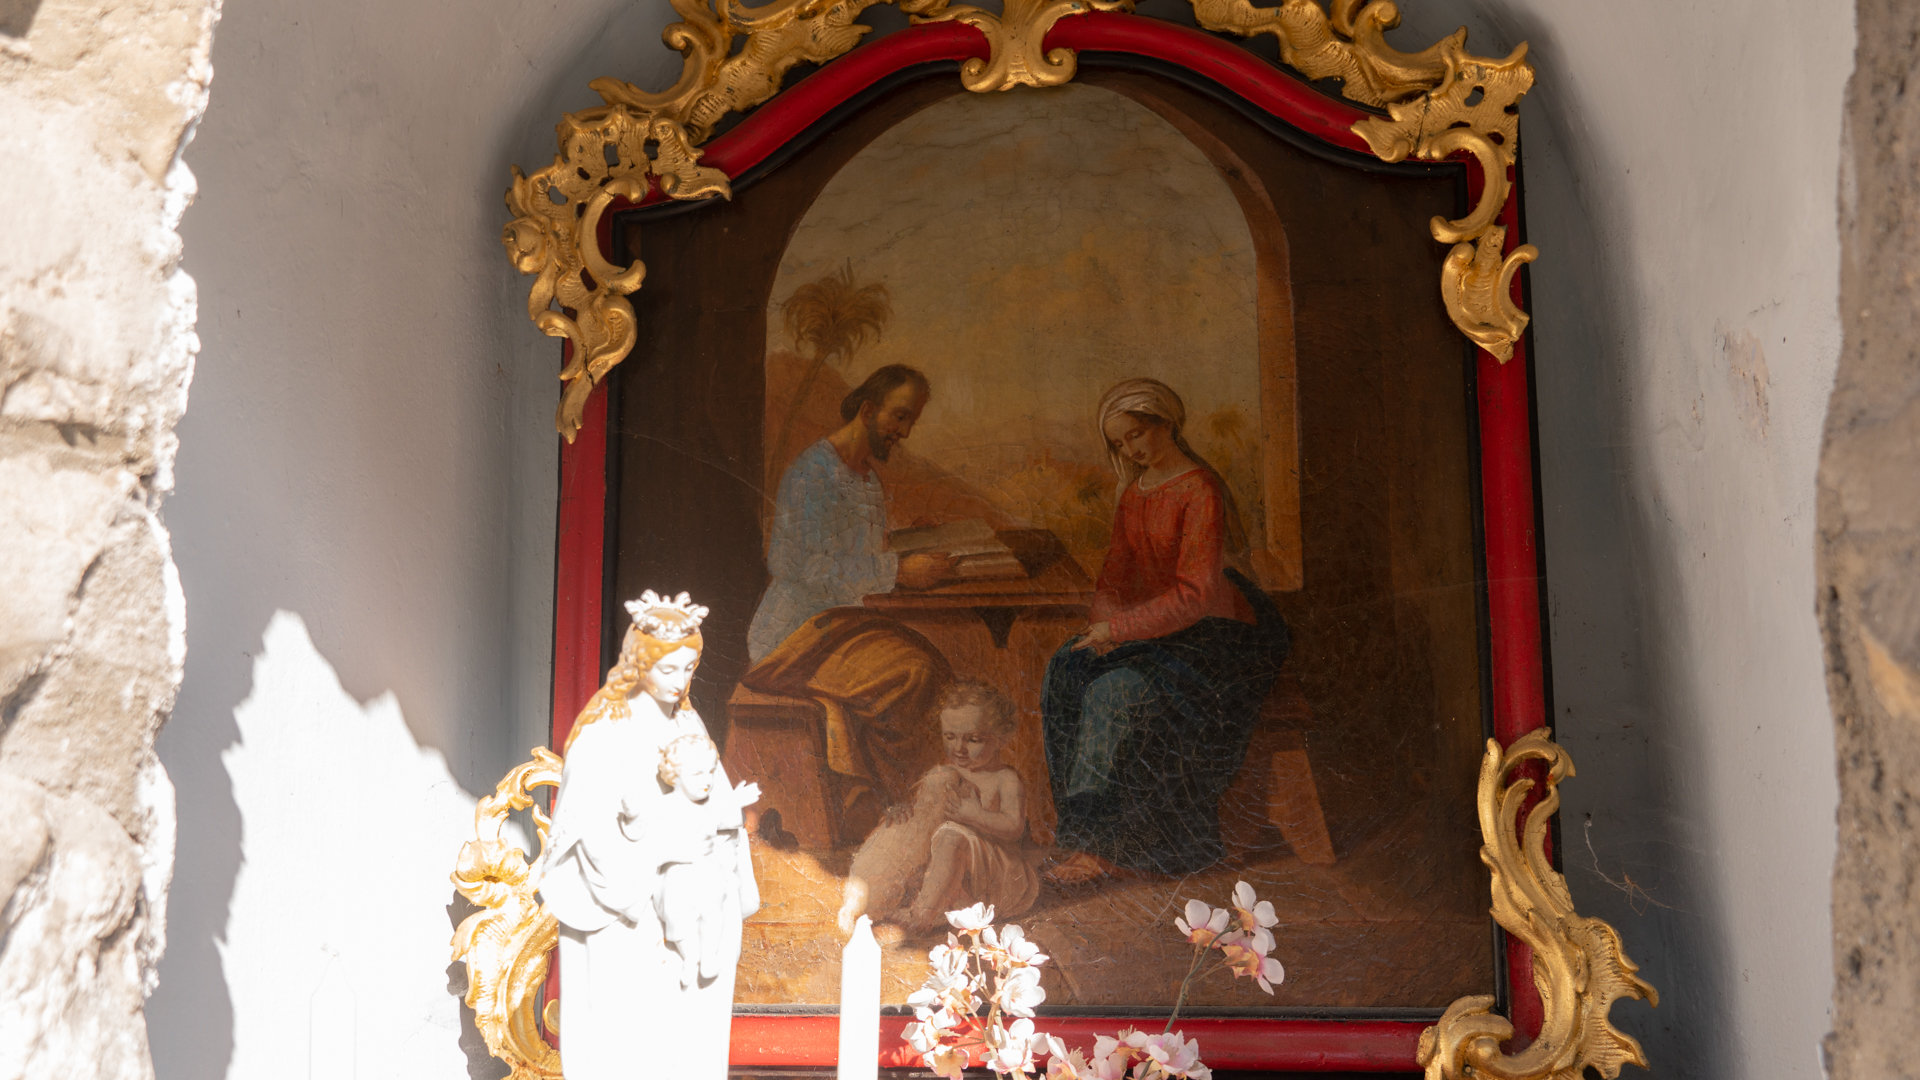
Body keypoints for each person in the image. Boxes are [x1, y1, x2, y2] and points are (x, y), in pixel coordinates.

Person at [1041, 378, 1291, 884]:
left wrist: (1121, 627)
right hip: (1161, 630)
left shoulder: (1200, 488)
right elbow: (1113, 577)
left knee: (1115, 692)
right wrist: (1103, 628)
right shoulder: (1133, 495)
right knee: (1066, 666)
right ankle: (1079, 834)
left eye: (1137, 434)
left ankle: (1104, 847)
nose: (1131, 449)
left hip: (1216, 638)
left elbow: (1196, 595)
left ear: (1166, 422)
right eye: (1119, 443)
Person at [536, 591, 758, 1080]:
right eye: (668, 669)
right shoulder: (603, 732)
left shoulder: (687, 720)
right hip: (626, 915)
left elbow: (714, 802)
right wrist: (657, 849)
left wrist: (726, 826)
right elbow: (585, 831)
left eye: (688, 669)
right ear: (639, 663)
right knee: (630, 1039)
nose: (679, 683)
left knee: (682, 1044)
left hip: (687, 898)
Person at [742, 365, 955, 832]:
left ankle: (905, 813)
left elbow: (853, 560)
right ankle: (896, 815)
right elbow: (794, 566)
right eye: (899, 417)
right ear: (867, 409)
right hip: (795, 635)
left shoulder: (867, 481)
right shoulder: (812, 473)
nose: (903, 432)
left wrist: (905, 549)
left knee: (933, 669)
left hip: (842, 626)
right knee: (912, 675)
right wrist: (897, 570)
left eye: (910, 422)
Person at [836, 679, 1040, 934]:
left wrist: (975, 815)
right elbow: (922, 826)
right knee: (931, 834)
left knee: (950, 835)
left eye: (973, 739)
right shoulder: (944, 776)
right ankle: (882, 898)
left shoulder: (1005, 778)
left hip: (996, 877)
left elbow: (1014, 827)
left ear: (1000, 738)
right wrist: (906, 815)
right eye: (950, 737)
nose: (959, 748)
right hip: (954, 880)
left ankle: (922, 916)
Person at [654, 733, 760, 989]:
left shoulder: (708, 804)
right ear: (675, 775)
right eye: (697, 774)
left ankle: (708, 956)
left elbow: (722, 819)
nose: (707, 781)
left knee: (713, 913)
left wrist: (734, 803)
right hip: (678, 878)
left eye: (711, 773)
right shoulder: (668, 806)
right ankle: (691, 957)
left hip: (708, 873)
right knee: (678, 915)